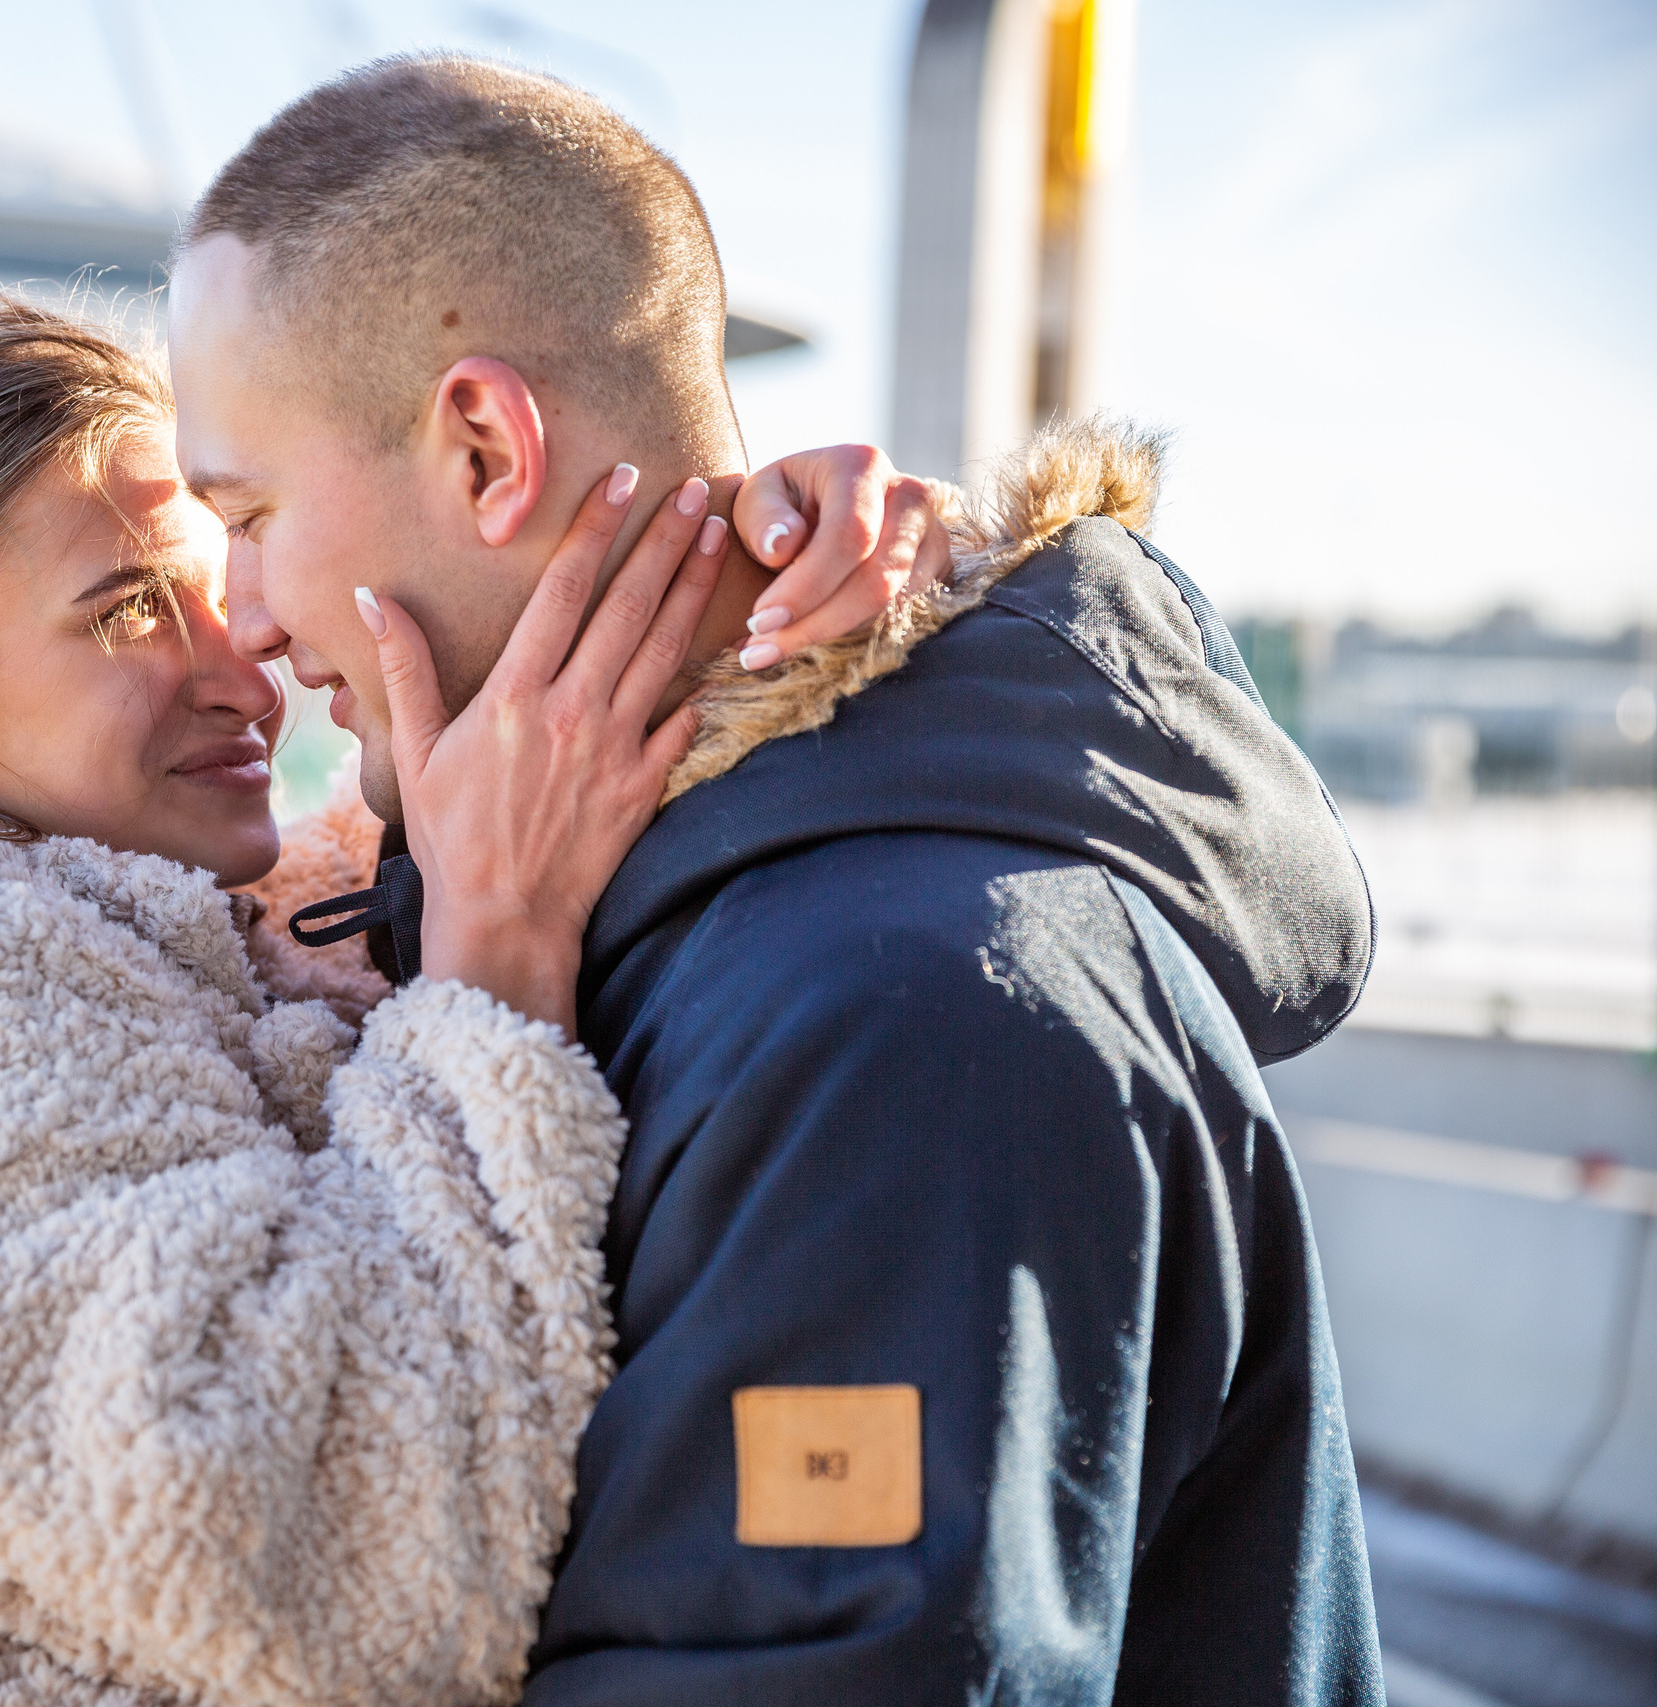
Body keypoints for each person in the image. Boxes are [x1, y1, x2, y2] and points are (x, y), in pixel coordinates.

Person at [168, 55, 1385, 1705]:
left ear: (480, 448)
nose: (235, 615)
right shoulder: (627, 919)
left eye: (246, 514)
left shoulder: (903, 1021)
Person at [0, 292, 929, 1705]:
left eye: (233, 594)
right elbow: (350, 1558)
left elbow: (505, 795)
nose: (246, 678)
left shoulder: (224, 934)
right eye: (131, 612)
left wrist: (776, 570)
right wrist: (500, 954)